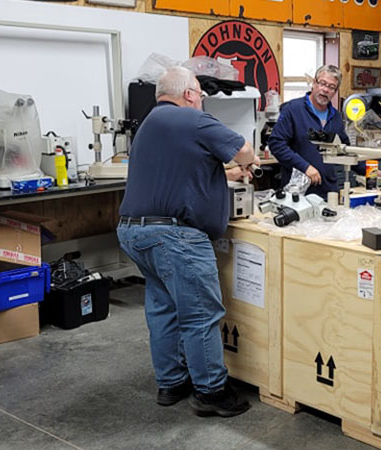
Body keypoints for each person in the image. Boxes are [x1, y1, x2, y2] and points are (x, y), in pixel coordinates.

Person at [117, 66, 258, 418]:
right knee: (201, 314)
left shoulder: (151, 124)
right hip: (174, 236)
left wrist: (224, 173)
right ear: (191, 94)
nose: (201, 100)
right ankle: (211, 390)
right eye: (201, 94)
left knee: (163, 308)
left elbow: (183, 173)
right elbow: (244, 150)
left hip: (135, 231)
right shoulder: (193, 120)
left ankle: (172, 382)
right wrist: (248, 163)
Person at [268, 64, 365, 199]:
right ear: (314, 83)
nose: (325, 90)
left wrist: (369, 171)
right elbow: (276, 144)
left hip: (328, 193)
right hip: (298, 192)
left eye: (331, 87)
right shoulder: (293, 110)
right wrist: (305, 167)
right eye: (322, 83)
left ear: (335, 92)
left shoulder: (336, 117)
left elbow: (345, 149)